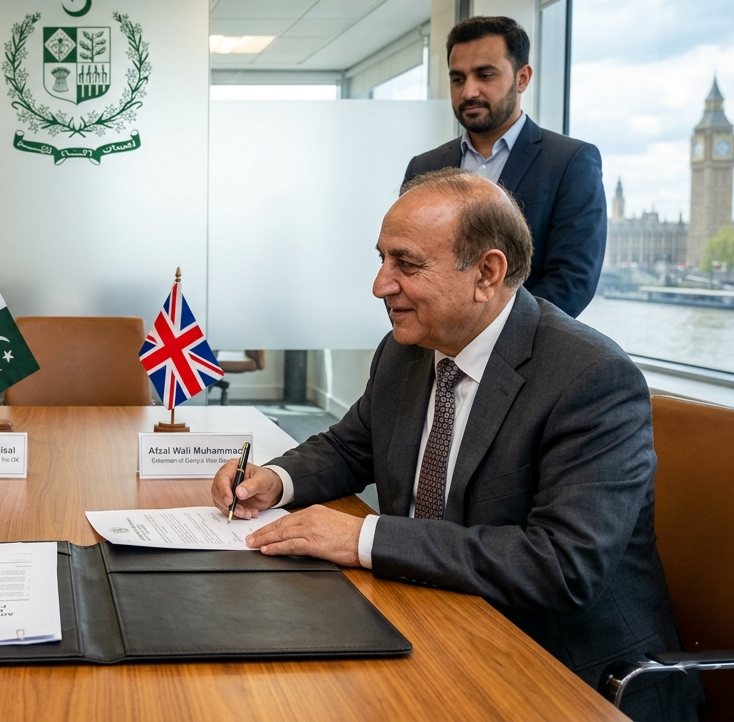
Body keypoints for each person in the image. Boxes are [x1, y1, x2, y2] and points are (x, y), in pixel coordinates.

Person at [212, 168, 698, 721]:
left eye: (407, 264)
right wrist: (275, 480)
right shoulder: (406, 350)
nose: (380, 286)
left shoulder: (590, 377)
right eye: (382, 259)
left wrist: (364, 536)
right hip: (426, 619)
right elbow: (351, 447)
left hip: (563, 673)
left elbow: (562, 565)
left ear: (487, 273)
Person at [403, 16, 605, 318]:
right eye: (458, 79)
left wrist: (486, 341)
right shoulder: (425, 167)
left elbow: (572, 281)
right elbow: (402, 263)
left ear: (522, 78)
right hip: (434, 349)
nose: (469, 91)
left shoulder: (570, 162)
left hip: (524, 356)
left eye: (485, 76)